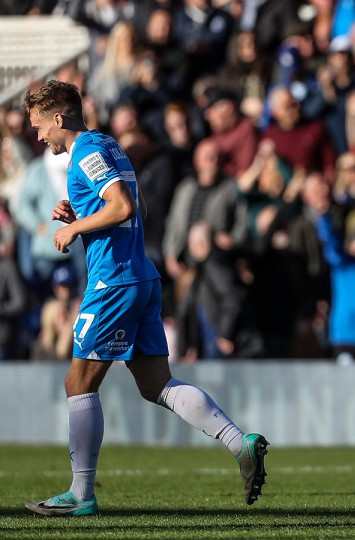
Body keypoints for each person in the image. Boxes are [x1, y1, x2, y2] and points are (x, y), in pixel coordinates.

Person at [22, 80, 268, 517]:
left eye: (40, 126)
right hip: (140, 276)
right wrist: (80, 214)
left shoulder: (87, 152)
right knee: (156, 384)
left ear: (59, 119)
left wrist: (73, 229)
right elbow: (131, 206)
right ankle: (240, 442)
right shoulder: (109, 147)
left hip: (113, 282)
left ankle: (81, 495)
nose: (38, 136)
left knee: (78, 383)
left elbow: (123, 208)